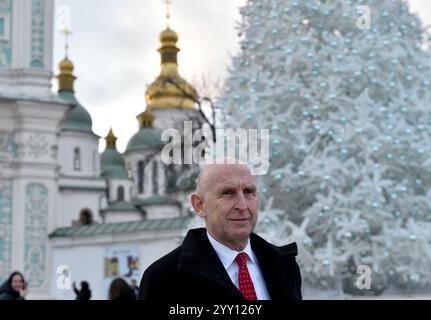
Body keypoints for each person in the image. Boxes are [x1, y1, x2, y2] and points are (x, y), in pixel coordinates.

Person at [139, 158, 302, 301]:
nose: (242, 205)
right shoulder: (162, 280)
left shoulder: (285, 266)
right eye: (228, 193)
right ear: (199, 205)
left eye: (248, 192)